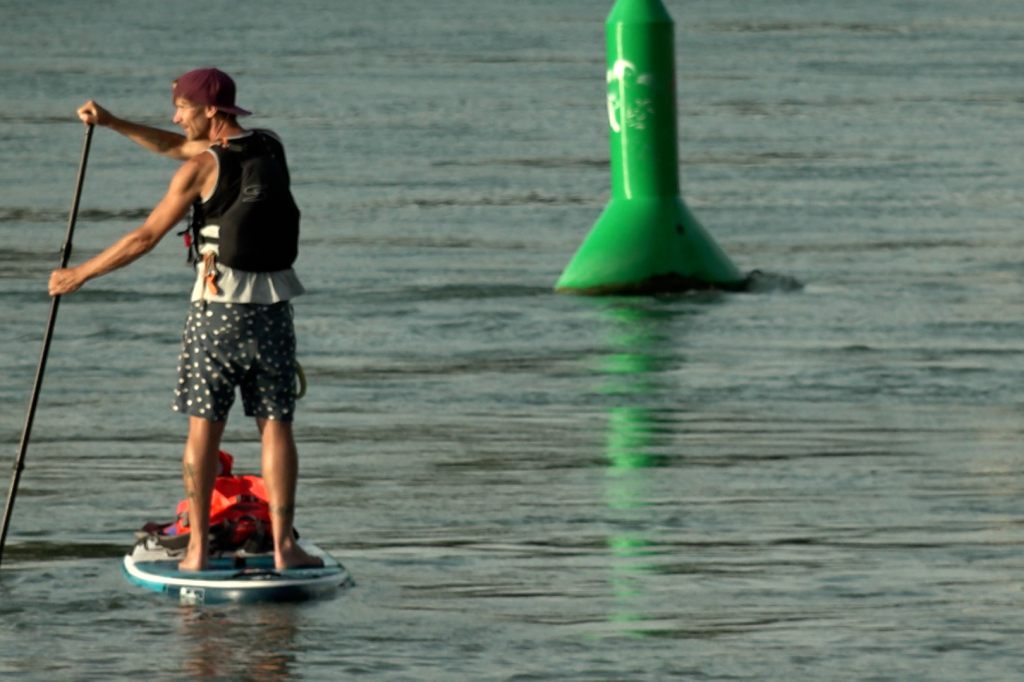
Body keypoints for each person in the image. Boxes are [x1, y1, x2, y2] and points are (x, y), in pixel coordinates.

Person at [49, 67, 322, 571]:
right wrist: (113, 123)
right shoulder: (271, 146)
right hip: (274, 310)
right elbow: (180, 146)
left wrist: (79, 274)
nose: (176, 117)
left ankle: (196, 551)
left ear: (210, 110)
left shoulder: (198, 169)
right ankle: (285, 548)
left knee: (203, 429)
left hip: (216, 314)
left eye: (182, 108)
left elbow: (144, 237)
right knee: (276, 427)